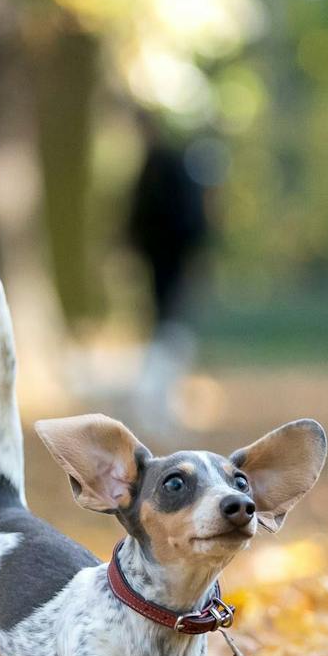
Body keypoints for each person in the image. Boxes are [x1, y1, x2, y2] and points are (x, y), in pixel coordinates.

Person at [126, 110, 211, 433]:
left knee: (169, 324)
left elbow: (151, 215)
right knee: (169, 323)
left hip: (168, 258)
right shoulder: (167, 164)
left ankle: (161, 400)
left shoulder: (161, 165)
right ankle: (162, 401)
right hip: (168, 258)